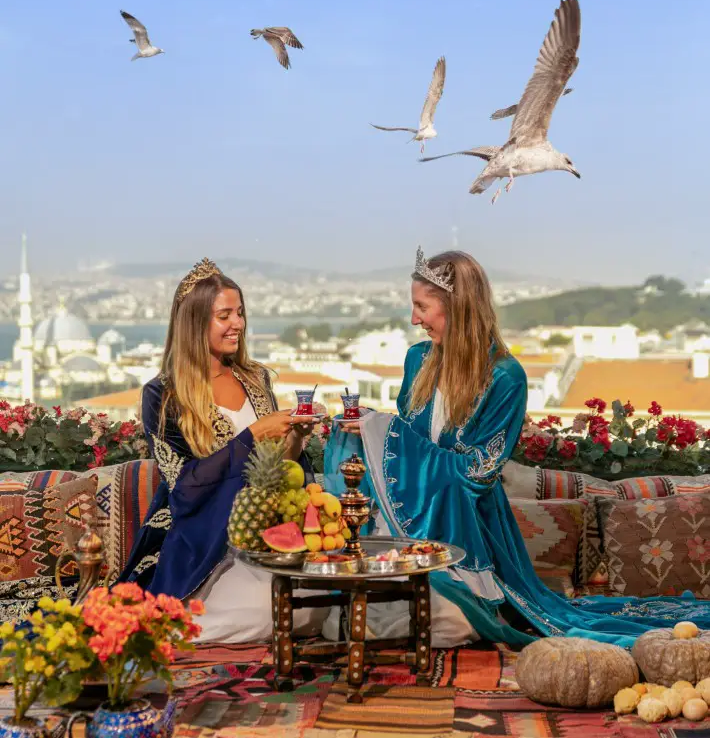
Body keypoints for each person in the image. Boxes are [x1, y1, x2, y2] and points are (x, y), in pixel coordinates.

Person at [325, 247, 710, 649]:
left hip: (470, 526)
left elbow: (478, 472)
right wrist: (369, 426)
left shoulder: (505, 377)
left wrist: (384, 430)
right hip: (409, 516)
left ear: (456, 307)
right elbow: (407, 440)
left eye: (421, 307)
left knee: (448, 627)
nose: (413, 319)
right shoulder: (417, 359)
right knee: (362, 619)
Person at [119, 258, 328, 642]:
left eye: (241, 313)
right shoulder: (163, 395)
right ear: (195, 322)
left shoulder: (256, 377)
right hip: (207, 543)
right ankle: (169, 627)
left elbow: (278, 466)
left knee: (319, 599)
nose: (238, 324)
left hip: (270, 531)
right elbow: (184, 487)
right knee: (272, 611)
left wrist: (295, 436)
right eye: (225, 316)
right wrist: (253, 433)